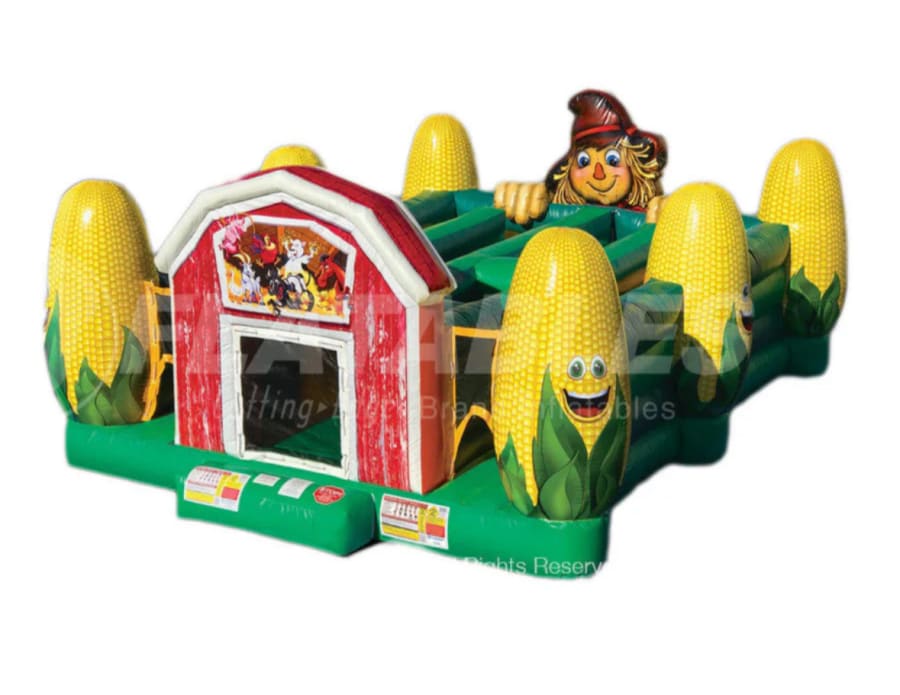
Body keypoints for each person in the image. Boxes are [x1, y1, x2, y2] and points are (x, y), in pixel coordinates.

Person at [495, 90, 668, 224]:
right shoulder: (565, 207)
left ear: (634, 162)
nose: (598, 174)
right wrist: (526, 198)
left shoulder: (643, 207)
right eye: (584, 162)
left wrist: (674, 209)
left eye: (612, 160)